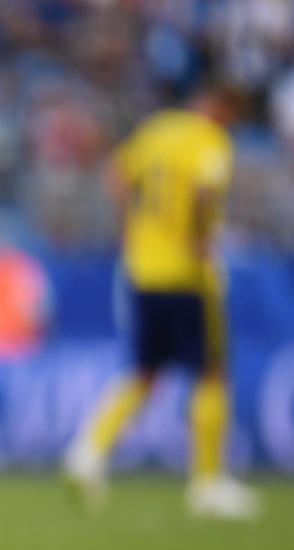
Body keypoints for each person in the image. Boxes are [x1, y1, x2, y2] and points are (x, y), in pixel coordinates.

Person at [62, 83, 260, 520]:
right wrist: (199, 237)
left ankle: (87, 452)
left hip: (139, 268)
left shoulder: (155, 131)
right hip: (187, 274)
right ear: (223, 105)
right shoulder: (208, 139)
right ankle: (207, 482)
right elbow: (205, 192)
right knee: (211, 372)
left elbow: (116, 176)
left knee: (144, 371)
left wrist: (133, 226)